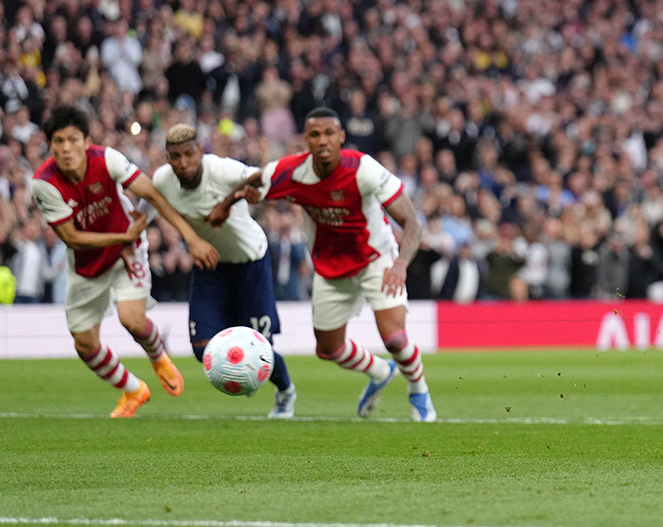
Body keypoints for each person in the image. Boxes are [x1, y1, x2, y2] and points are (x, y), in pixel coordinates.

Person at [233, 107, 435, 421]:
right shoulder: (291, 171)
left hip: (376, 259)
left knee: (394, 337)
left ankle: (418, 389)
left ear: (341, 137)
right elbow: (256, 180)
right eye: (315, 134)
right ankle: (381, 371)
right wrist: (227, 205)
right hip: (330, 269)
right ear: (307, 141)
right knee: (328, 350)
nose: (323, 140)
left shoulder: (363, 169)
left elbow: (412, 221)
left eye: (329, 133)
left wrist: (401, 264)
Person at [30, 106, 219, 418]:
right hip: (89, 263)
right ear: (50, 145)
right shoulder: (44, 184)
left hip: (126, 253)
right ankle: (133, 389)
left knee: (131, 319)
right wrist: (121, 238)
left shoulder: (107, 159)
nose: (66, 148)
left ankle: (159, 357)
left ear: (87, 141)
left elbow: (154, 195)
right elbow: (72, 237)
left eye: (73, 140)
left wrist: (191, 238)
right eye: (59, 141)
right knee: (85, 345)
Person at [152, 123, 298, 419]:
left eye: (189, 154)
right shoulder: (162, 180)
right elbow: (151, 204)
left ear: (201, 151)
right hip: (210, 266)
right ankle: (244, 378)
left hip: (251, 263)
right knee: (202, 348)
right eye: (176, 156)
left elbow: (265, 175)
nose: (184, 163)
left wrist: (233, 199)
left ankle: (286, 391)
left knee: (261, 351)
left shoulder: (221, 170)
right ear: (168, 159)